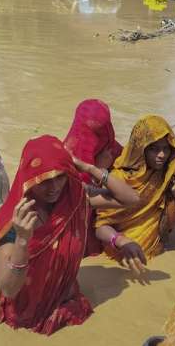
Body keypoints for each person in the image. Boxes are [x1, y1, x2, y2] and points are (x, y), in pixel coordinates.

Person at [0, 135, 138, 335]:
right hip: (28, 316)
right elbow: (8, 288)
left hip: (66, 302)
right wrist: (23, 240)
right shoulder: (15, 219)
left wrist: (89, 168)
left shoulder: (74, 196)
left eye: (60, 176)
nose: (55, 187)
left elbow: (131, 199)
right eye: (45, 181)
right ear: (29, 178)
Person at [94, 115, 175, 273]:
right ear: (140, 148)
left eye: (166, 148)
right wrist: (120, 240)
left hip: (159, 252)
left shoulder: (173, 177)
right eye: (154, 149)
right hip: (121, 258)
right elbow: (100, 226)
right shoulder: (119, 179)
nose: (162, 155)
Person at [63, 98, 125, 254]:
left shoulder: (111, 148)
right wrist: (98, 169)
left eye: (100, 131)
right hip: (75, 230)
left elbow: (129, 194)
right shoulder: (67, 157)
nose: (91, 139)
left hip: (103, 223)